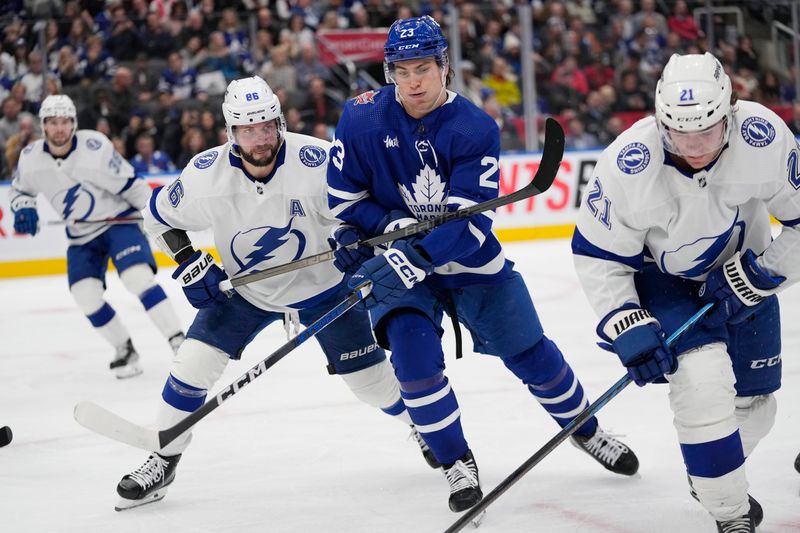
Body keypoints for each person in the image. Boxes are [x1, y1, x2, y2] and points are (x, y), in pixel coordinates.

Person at [327, 16, 640, 515]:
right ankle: (455, 460)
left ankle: (587, 430)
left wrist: (422, 255)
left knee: (533, 355)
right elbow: (343, 199)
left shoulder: (474, 127)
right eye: (401, 70)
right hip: (395, 261)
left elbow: (469, 224)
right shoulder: (360, 118)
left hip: (469, 263)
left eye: (424, 68)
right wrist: (383, 230)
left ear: (444, 67)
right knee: (413, 365)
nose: (413, 82)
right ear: (388, 72)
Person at [115, 76, 436, 511]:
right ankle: (163, 457)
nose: (261, 138)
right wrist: (188, 259)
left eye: (267, 125)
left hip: (325, 288)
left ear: (280, 121)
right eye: (248, 130)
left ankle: (422, 423)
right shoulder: (205, 174)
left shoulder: (318, 159)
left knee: (371, 385)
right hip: (245, 291)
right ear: (231, 132)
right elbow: (158, 216)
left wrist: (351, 236)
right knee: (191, 365)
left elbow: (363, 209)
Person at [571, 52, 800, 532]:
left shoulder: (764, 137)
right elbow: (598, 254)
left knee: (757, 405)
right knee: (702, 380)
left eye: (707, 133)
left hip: (748, 274)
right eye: (679, 134)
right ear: (660, 122)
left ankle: (711, 471)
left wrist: (759, 275)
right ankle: (730, 512)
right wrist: (626, 322)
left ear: (729, 115)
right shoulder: (628, 164)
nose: (694, 147)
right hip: (664, 281)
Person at [9, 94, 185, 379]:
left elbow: (131, 184)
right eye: (52, 123)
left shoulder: (95, 147)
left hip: (118, 223)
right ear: (43, 126)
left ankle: (179, 341)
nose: (59, 129)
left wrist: (156, 212)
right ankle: (124, 348)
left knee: (137, 278)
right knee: (85, 295)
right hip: (80, 235)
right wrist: (23, 207)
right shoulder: (31, 159)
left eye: (64, 122)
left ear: (74, 124)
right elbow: (20, 191)